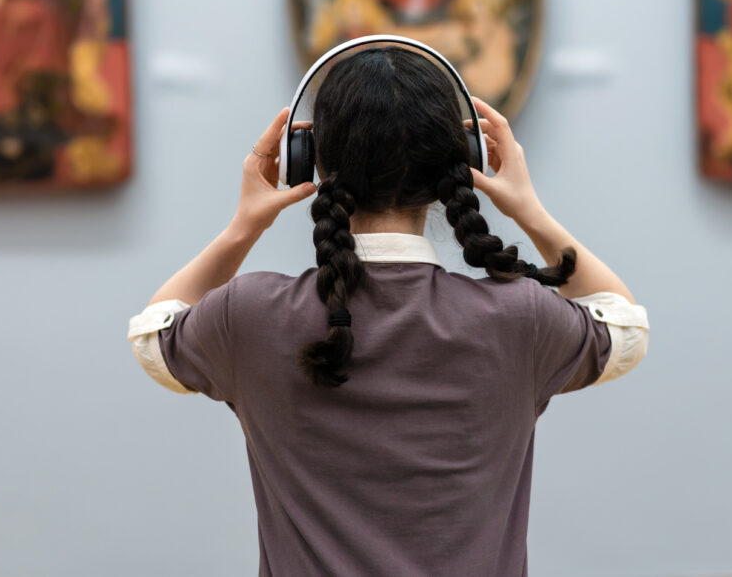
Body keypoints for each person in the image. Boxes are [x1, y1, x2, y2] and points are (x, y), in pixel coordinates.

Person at [126, 46, 649, 576]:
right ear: (462, 163)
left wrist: (243, 227)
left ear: (309, 159)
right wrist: (527, 209)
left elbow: (154, 336)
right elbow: (623, 325)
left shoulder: (250, 315)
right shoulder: (521, 318)